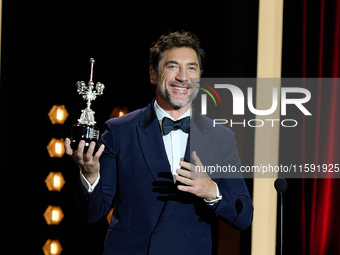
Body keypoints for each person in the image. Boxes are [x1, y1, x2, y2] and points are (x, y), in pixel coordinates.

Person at [65, 31, 253, 255]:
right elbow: (92, 214)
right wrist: (90, 176)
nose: (183, 77)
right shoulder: (120, 131)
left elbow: (244, 217)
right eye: (173, 66)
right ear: (153, 74)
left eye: (192, 68)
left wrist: (211, 190)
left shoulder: (220, 138)